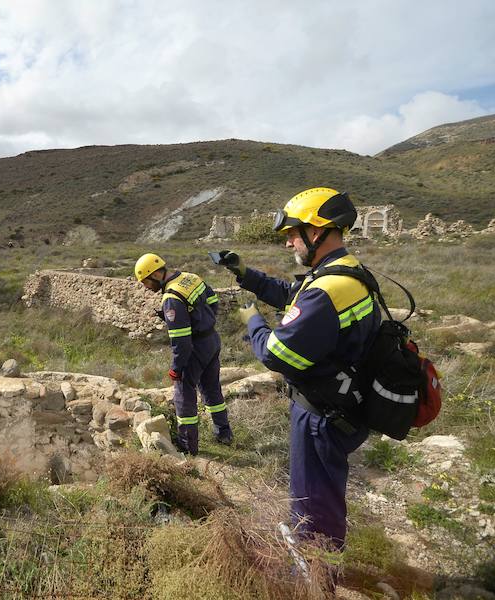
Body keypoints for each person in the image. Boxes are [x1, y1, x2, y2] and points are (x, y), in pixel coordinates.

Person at [216, 187, 379, 553]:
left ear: (317, 231)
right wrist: (245, 274)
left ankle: (313, 578)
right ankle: (323, 563)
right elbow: (292, 293)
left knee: (312, 508)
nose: (289, 243)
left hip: (321, 415)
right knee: (323, 499)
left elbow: (276, 354)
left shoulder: (327, 289)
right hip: (344, 403)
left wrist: (252, 320)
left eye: (292, 234)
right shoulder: (344, 273)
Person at [134, 253, 233, 454]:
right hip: (212, 340)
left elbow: (181, 341)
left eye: (145, 282)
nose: (145, 287)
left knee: (184, 395)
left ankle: (188, 446)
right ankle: (224, 433)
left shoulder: (171, 298)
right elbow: (213, 301)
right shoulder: (190, 277)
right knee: (212, 387)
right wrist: (203, 322)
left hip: (195, 348)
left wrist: (176, 369)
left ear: (154, 275)